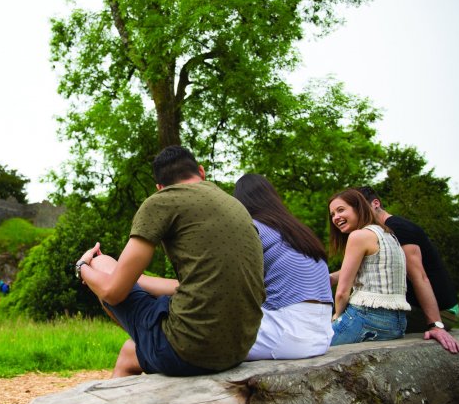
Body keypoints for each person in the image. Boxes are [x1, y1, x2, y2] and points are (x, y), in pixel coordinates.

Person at [76, 146, 265, 378]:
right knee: (130, 351)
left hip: (188, 351)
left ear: (159, 188)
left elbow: (112, 293)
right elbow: (199, 283)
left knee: (102, 263)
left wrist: (83, 267)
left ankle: (150, 343)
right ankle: (147, 345)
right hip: (239, 347)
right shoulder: (235, 205)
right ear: (201, 172)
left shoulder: (161, 202)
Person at [232, 174, 334, 360]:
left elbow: (226, 283)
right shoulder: (297, 231)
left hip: (287, 335)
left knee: (201, 339)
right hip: (322, 336)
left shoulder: (252, 228)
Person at [356, 186, 459, 353]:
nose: (357, 213)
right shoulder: (380, 232)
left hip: (441, 312)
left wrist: (436, 325)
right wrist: (330, 277)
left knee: (355, 320)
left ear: (375, 204)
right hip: (414, 307)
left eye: (359, 207)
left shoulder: (398, 228)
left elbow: (419, 276)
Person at [328, 188, 410, 345]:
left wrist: (336, 316)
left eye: (341, 210)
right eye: (332, 214)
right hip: (398, 323)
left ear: (358, 207)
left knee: (314, 344)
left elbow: (342, 293)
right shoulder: (388, 234)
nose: (336, 217)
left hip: (368, 318)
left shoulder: (358, 236)